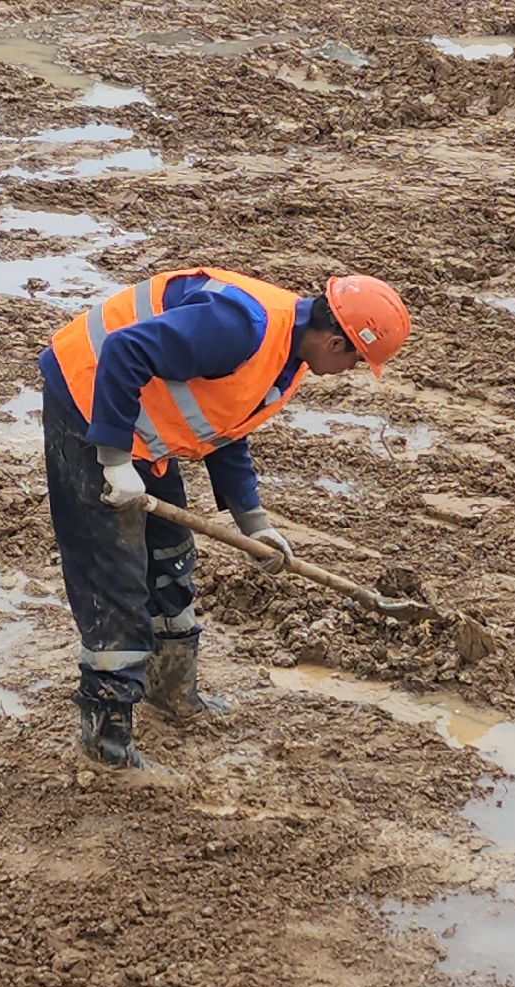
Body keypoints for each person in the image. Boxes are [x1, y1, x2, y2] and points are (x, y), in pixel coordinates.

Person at [39, 267, 411, 770]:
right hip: (87, 402)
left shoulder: (289, 354)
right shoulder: (241, 326)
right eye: (357, 361)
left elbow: (223, 421)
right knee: (115, 577)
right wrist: (112, 458)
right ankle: (108, 746)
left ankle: (171, 693)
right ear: (337, 341)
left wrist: (252, 520)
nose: (350, 372)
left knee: (169, 556)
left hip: (142, 429)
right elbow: (124, 350)